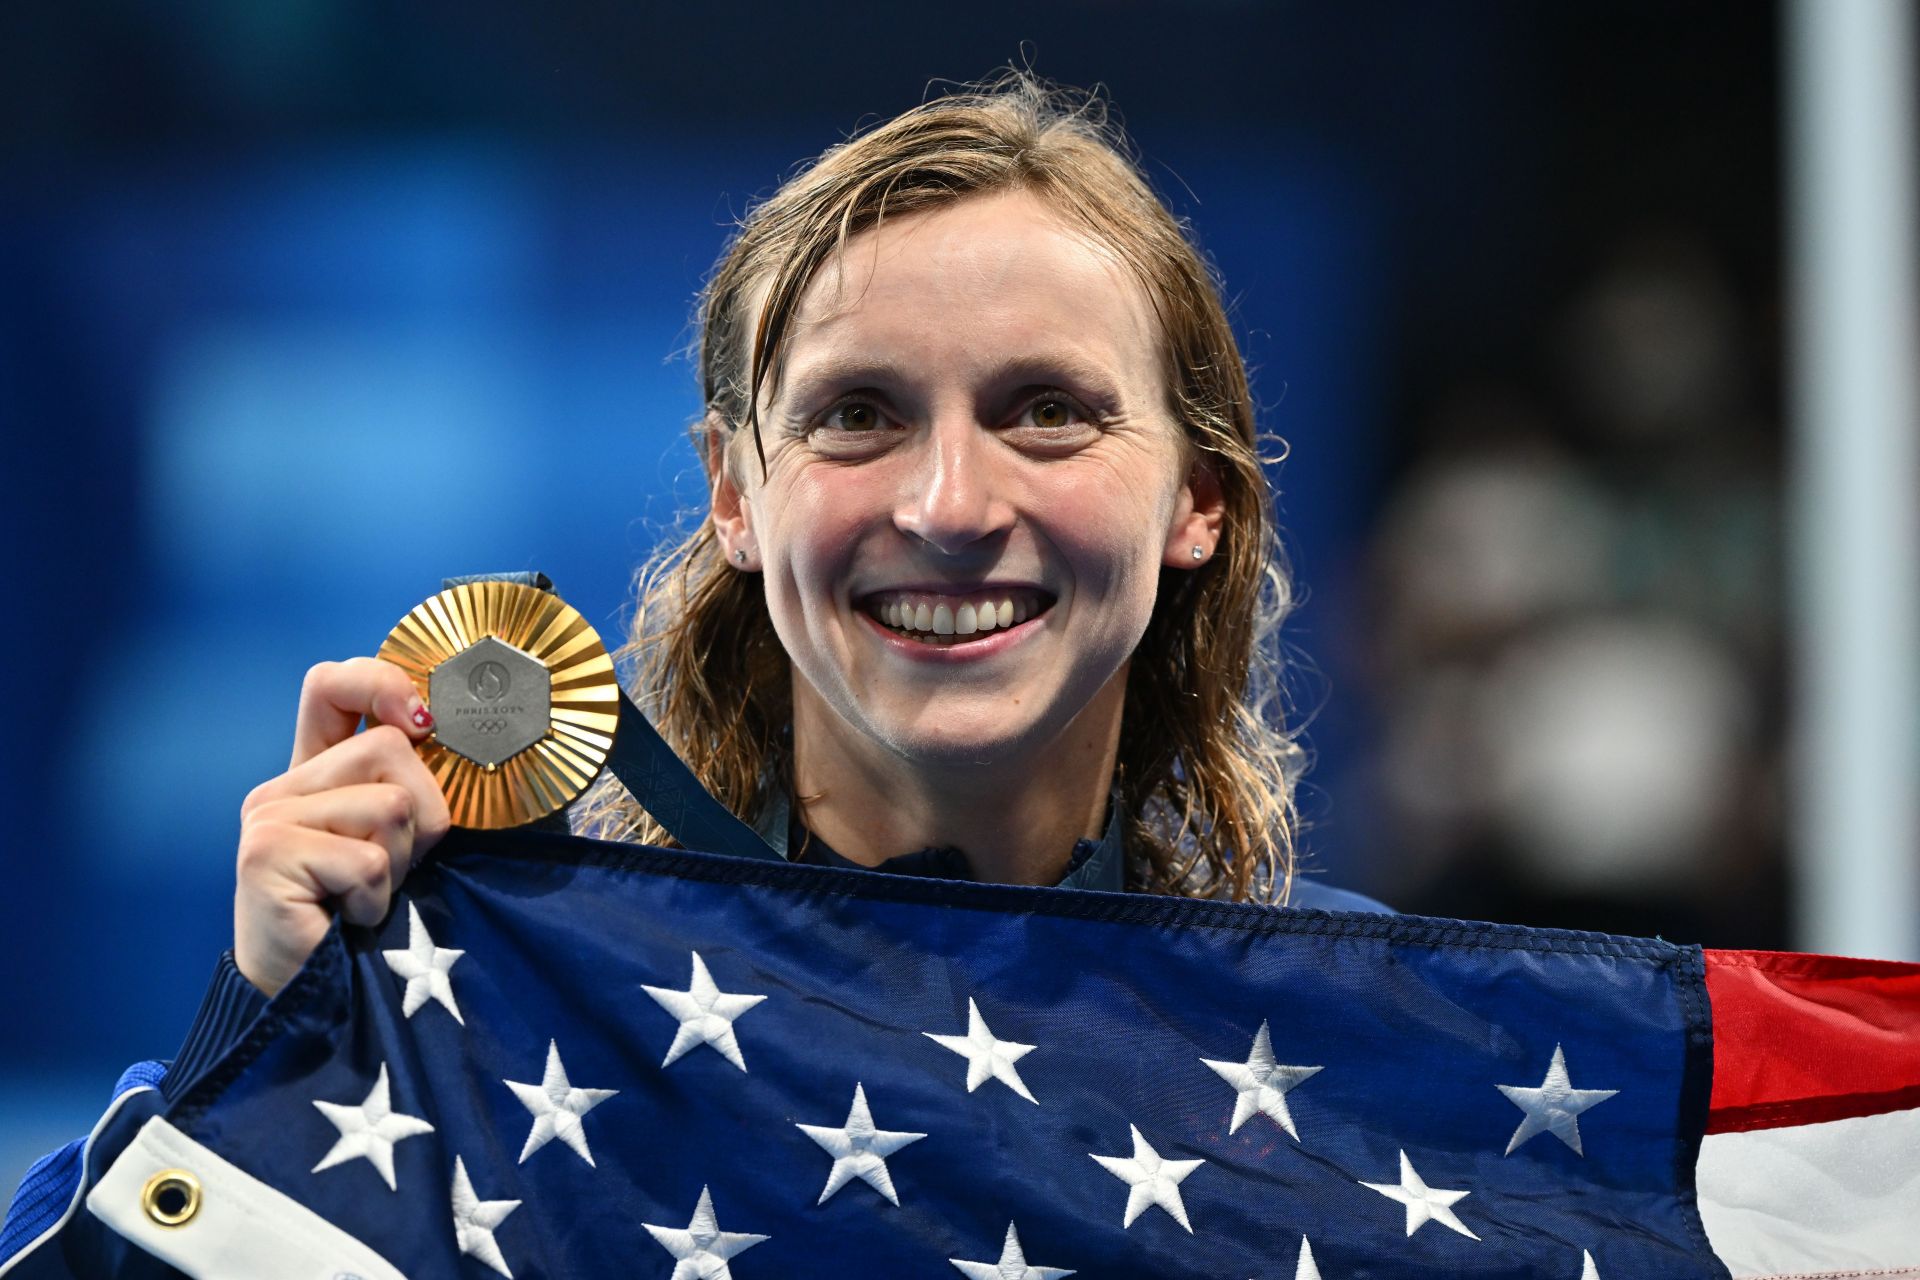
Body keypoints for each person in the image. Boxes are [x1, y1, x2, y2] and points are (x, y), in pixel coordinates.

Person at [0, 71, 1384, 1265]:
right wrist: (274, 1054)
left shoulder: (1366, 1057)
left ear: (1198, 498)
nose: (952, 504)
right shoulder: (505, 1030)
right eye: (858, 415)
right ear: (735, 496)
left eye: (1048, 412)